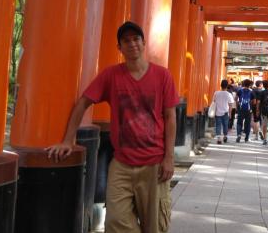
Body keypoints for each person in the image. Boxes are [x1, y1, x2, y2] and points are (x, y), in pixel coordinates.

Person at [46, 21, 178, 233]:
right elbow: (83, 102)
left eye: (136, 39)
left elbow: (171, 117)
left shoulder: (163, 76)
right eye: (126, 41)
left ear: (144, 43)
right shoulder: (111, 75)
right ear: (120, 48)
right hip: (122, 164)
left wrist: (169, 157)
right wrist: (67, 140)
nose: (132, 44)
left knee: (155, 226)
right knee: (116, 223)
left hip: (154, 164)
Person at [213, 80, 235, 144]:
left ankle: (219, 138)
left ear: (221, 85)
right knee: (225, 125)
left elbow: (214, 101)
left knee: (218, 125)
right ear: (227, 86)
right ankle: (225, 136)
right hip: (226, 112)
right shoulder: (228, 94)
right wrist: (230, 113)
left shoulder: (216, 93)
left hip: (217, 111)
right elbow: (231, 104)